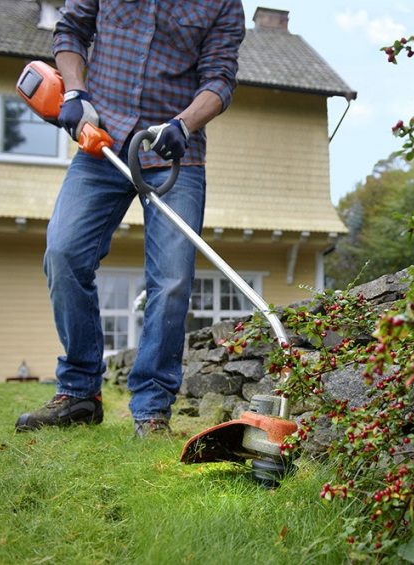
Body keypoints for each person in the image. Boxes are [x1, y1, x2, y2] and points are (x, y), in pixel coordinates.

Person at [15, 0, 246, 437]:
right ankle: (80, 392)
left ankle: (152, 410)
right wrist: (75, 91)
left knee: (172, 280)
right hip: (99, 140)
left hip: (173, 152)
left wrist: (183, 124)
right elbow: (71, 31)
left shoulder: (222, 4)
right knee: (64, 253)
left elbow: (219, 78)